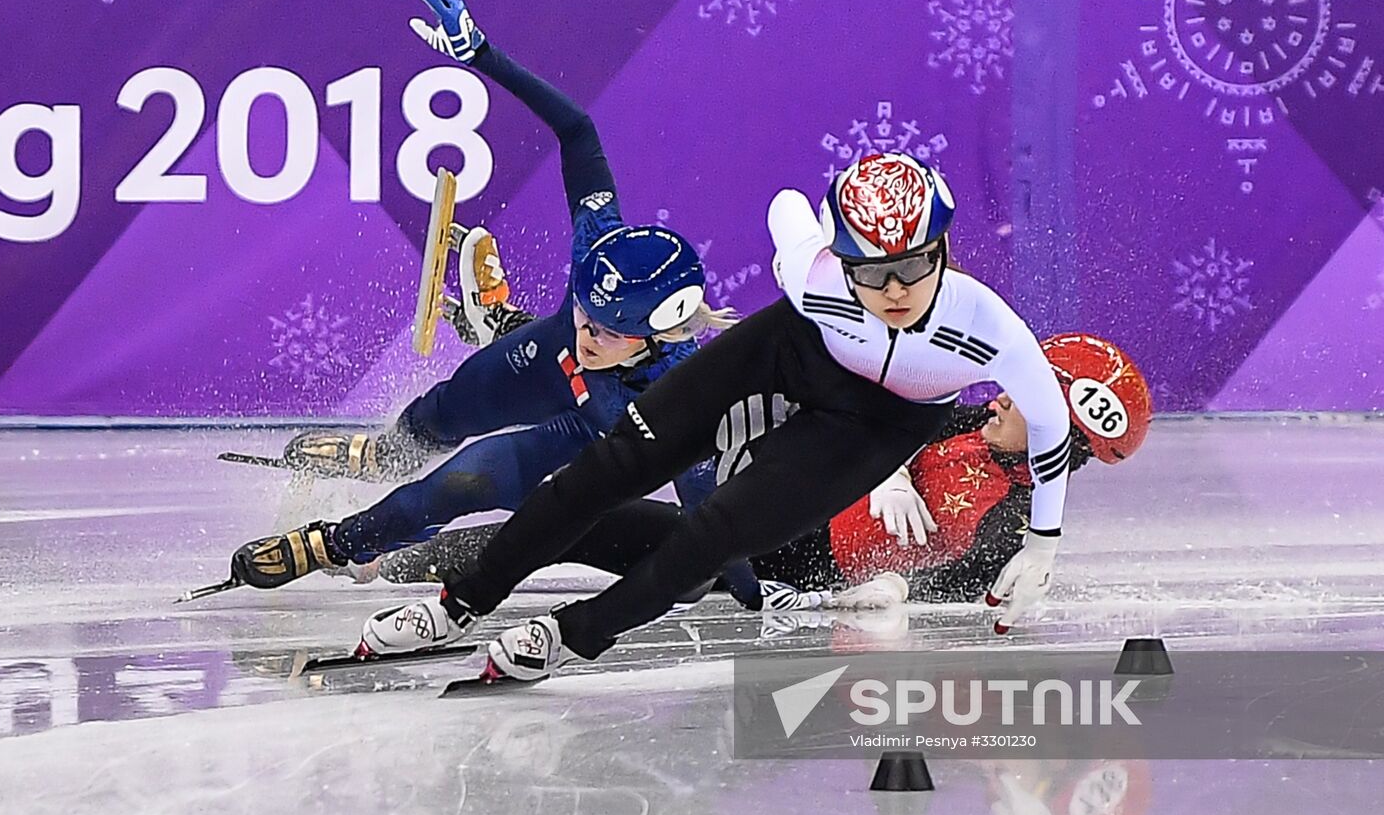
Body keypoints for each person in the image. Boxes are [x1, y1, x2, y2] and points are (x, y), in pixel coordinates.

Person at [360, 148, 1077, 682]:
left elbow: (1049, 421)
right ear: (840, 257)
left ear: (944, 250)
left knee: (715, 532)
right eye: (870, 271)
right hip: (791, 347)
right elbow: (786, 207)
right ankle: (464, 600)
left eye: (914, 267)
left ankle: (575, 633)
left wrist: (1042, 541)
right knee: (611, 466)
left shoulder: (989, 329)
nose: (893, 289)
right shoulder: (813, 273)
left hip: (876, 423)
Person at [221, 0, 734, 591]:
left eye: (607, 331)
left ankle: (333, 543)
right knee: (451, 406)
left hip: (587, 436)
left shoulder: (682, 395)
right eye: (585, 311)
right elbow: (577, 129)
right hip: (549, 365)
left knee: (459, 485)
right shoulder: (596, 248)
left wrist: (762, 590)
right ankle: (407, 429)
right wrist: (481, 53)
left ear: (655, 337)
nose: (588, 331)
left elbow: (713, 523)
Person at [370, 334, 1152, 621]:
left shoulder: (1012, 531)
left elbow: (936, 589)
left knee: (592, 524)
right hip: (779, 472)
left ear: (1068, 439)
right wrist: (888, 470)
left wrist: (874, 589)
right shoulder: (967, 416)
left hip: (768, 553)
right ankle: (579, 356)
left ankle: (391, 561)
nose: (1009, 393)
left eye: (1034, 397)